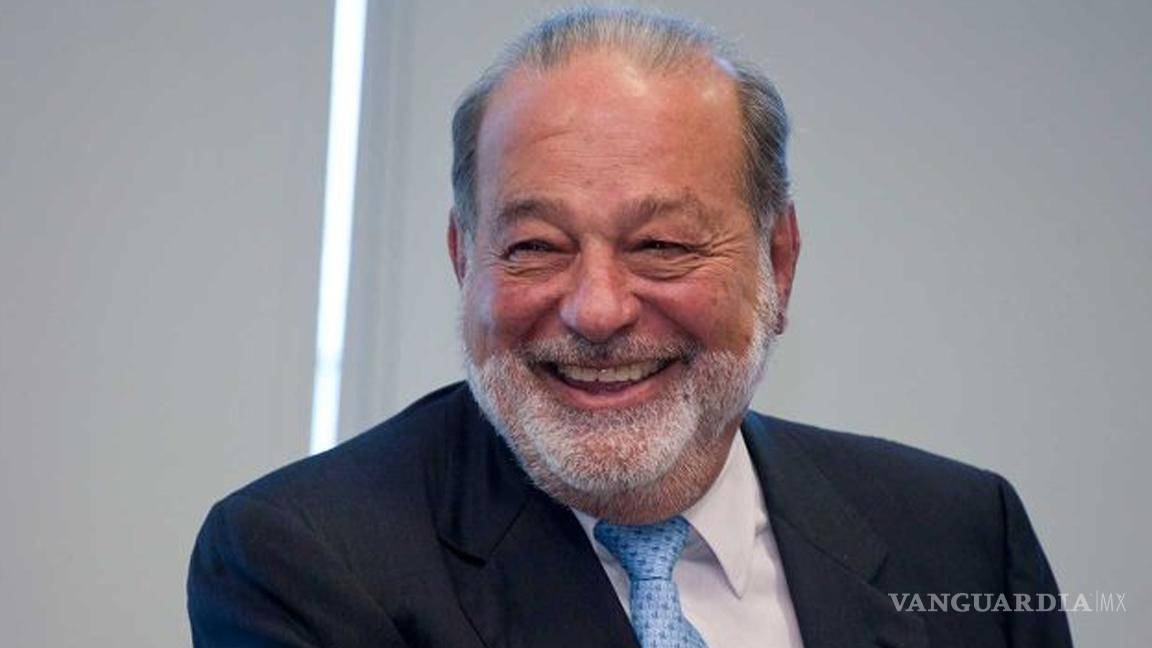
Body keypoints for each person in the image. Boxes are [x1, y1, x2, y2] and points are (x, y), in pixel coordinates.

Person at [188, 7, 1072, 647]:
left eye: (661, 246)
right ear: (465, 261)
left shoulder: (961, 539)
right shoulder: (303, 560)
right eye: (536, 247)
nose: (597, 309)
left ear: (778, 261)